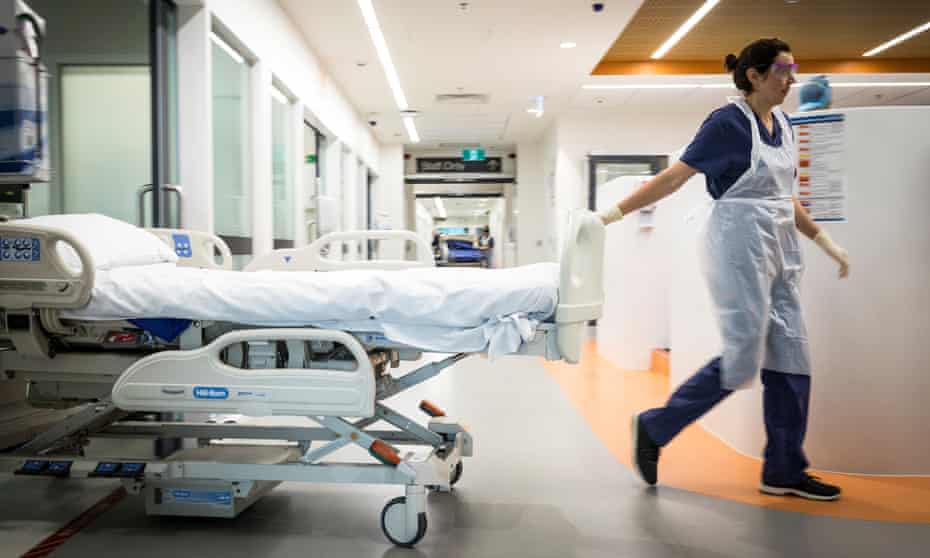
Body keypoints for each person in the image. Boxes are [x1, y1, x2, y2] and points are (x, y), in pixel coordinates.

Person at [598, 38, 850, 501]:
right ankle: (656, 426)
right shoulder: (727, 123)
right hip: (737, 245)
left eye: (793, 69)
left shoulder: (785, 125)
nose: (791, 80)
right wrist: (608, 216)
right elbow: (673, 179)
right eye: (783, 70)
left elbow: (784, 196)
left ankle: (784, 470)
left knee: (792, 355)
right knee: (743, 356)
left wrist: (823, 239)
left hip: (780, 248)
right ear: (754, 75)